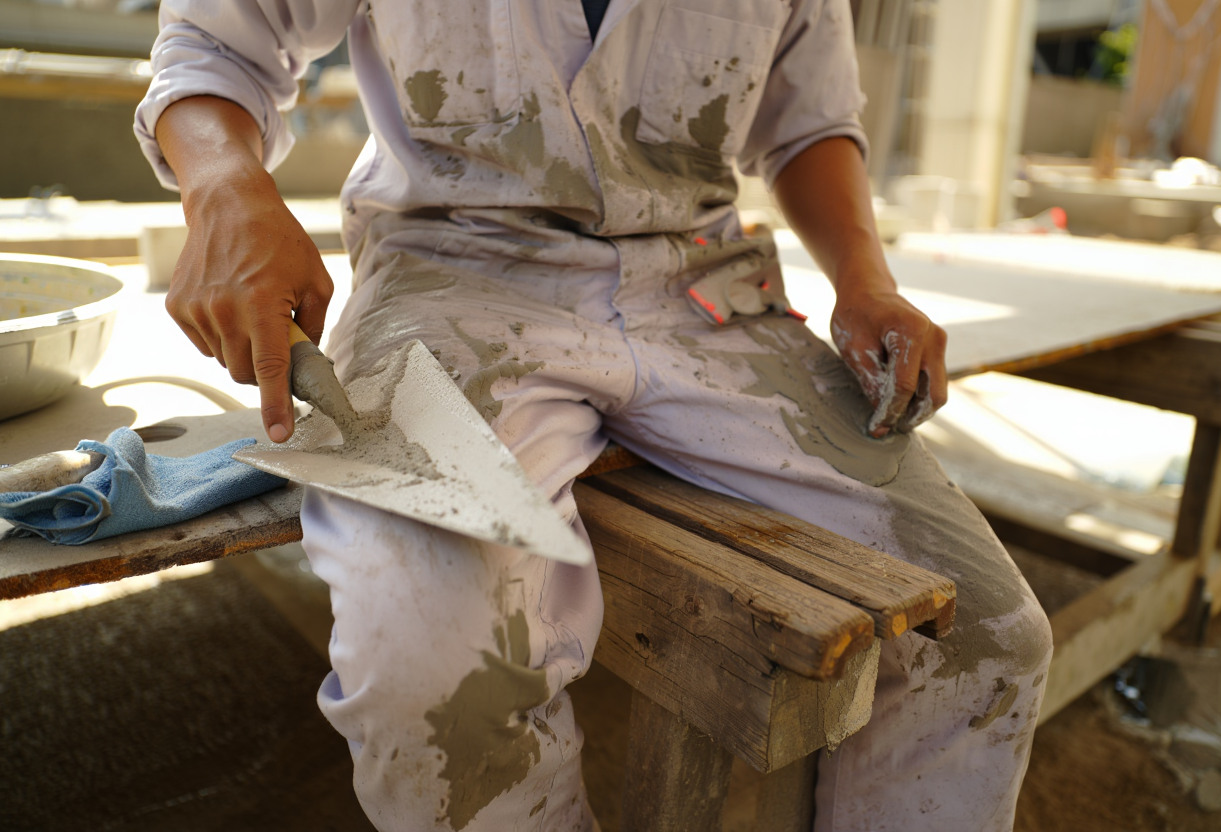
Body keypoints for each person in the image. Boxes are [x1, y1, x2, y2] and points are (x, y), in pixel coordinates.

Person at [135, 1, 1053, 829]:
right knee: (431, 668)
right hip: (453, 273)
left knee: (985, 641)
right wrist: (222, 186)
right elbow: (220, 39)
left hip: (702, 287)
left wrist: (866, 282)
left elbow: (809, 120)